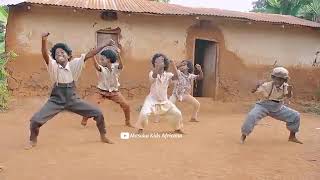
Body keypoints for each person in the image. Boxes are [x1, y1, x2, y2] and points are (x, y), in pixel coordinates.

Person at [26, 32, 113, 149]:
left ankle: (103, 135)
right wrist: (43, 40)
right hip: (56, 99)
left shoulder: (74, 64)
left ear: (68, 56)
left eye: (62, 52)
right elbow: (44, 54)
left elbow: (89, 54)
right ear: (54, 58)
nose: (59, 54)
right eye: (56, 53)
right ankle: (33, 141)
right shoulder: (53, 66)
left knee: (98, 113)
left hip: (72, 98)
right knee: (35, 121)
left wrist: (104, 45)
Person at [240, 67, 302, 144]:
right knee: (252, 116)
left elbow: (288, 96)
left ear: (285, 80)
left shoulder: (286, 86)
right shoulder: (267, 85)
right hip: (263, 106)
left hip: (278, 108)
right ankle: (243, 136)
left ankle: (292, 137)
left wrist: (289, 91)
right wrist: (256, 86)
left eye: (281, 79)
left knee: (295, 115)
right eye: (277, 78)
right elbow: (253, 91)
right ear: (273, 78)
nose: (279, 81)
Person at [135, 53, 184, 134]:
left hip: (164, 101)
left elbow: (176, 77)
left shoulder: (168, 75)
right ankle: (140, 128)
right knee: (143, 114)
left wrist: (173, 65)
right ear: (154, 63)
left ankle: (177, 128)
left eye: (161, 61)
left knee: (177, 113)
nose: (158, 62)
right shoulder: (152, 73)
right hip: (151, 100)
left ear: (165, 64)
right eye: (156, 61)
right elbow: (153, 77)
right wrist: (158, 66)